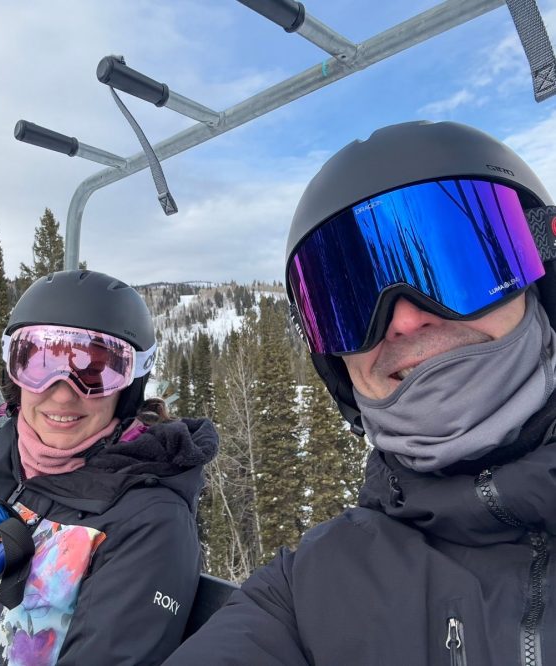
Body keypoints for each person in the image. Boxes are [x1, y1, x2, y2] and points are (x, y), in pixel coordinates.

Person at [164, 120, 556, 665]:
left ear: (542, 280)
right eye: (351, 304)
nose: (405, 320)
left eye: (457, 267)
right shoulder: (304, 594)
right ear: (335, 365)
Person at [0, 269, 218, 665]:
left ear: (129, 386)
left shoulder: (148, 521)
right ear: (16, 372)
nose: (62, 394)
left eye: (95, 371)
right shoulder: (0, 455)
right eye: (40, 363)